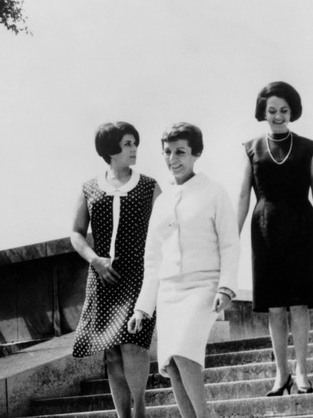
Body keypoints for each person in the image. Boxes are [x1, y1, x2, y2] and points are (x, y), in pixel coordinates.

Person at [237, 81, 313, 396]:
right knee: (275, 306)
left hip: (301, 225)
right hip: (264, 228)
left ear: (292, 112)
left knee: (299, 304)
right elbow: (243, 197)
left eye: (283, 110)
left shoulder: (308, 146)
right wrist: (231, 239)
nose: (277, 116)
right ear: (263, 111)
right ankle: (281, 374)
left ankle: (302, 372)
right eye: (272, 110)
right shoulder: (251, 148)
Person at [127, 123, 240, 418]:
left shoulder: (214, 192)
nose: (172, 158)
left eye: (180, 151)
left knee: (184, 351)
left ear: (196, 153)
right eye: (167, 152)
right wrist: (142, 308)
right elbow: (152, 258)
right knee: (171, 364)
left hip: (204, 286)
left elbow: (230, 243)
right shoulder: (163, 201)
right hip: (169, 291)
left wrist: (226, 287)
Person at [71, 121, 160, 418]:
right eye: (127, 144)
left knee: (134, 344)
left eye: (135, 143)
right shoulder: (90, 187)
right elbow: (76, 233)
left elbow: (166, 229)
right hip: (104, 277)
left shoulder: (149, 186)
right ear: (111, 150)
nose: (134, 149)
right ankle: (124, 415)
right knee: (112, 352)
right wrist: (95, 260)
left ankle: (140, 409)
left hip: (139, 274)